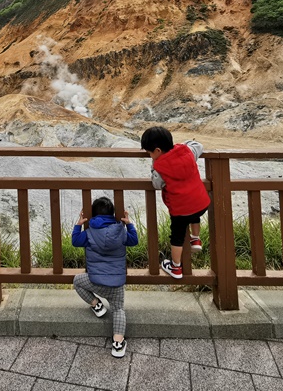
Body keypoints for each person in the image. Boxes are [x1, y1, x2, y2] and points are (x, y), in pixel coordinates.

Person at [71, 196, 138, 358]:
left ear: (93, 215)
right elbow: (134, 240)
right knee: (118, 310)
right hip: (117, 284)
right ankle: (118, 343)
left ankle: (97, 305)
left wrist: (78, 225)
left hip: (95, 281)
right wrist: (129, 224)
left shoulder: (89, 233)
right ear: (113, 215)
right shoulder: (121, 232)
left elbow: (75, 241)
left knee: (77, 282)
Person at [140, 126, 210, 279]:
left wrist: (153, 169)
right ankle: (196, 238)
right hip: (200, 203)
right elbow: (198, 146)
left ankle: (176, 267)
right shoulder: (187, 151)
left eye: (149, 153)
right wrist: (182, 145)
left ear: (157, 151)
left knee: (177, 237)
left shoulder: (160, 167)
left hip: (180, 210)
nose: (150, 156)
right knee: (194, 213)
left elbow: (156, 184)